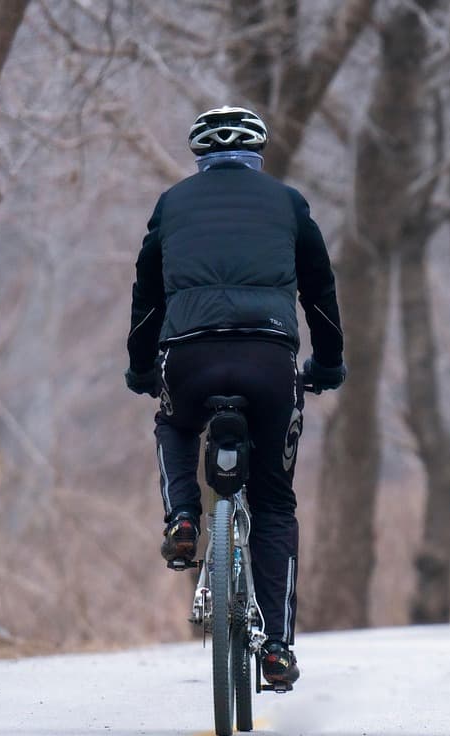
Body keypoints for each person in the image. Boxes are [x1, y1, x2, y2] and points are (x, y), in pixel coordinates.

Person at [124, 106, 346, 688]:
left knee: (173, 424)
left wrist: (142, 366)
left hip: (189, 357)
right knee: (274, 503)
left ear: (198, 156)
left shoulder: (172, 204)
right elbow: (319, 289)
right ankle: (276, 645)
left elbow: (147, 293)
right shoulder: (288, 203)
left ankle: (183, 518)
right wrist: (328, 362)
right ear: (259, 153)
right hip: (269, 359)